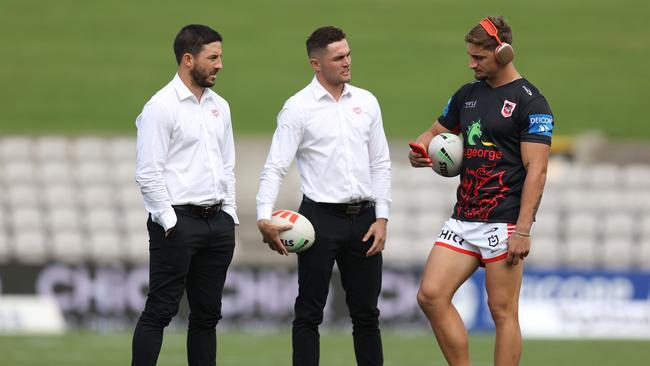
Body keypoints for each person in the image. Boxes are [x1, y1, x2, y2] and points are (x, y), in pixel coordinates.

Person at [409, 16, 554, 366]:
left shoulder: (531, 103)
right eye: (470, 56)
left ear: (503, 53)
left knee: (502, 312)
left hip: (503, 222)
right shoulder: (467, 95)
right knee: (430, 295)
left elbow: (538, 170)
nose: (471, 63)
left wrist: (522, 230)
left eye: (478, 57)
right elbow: (432, 133)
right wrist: (422, 150)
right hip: (464, 217)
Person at [256, 26, 391, 366]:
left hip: (365, 219)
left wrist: (382, 217)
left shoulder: (367, 102)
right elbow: (275, 167)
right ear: (316, 64)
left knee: (366, 315)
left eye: (348, 54)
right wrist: (263, 215)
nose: (347, 62)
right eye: (338, 57)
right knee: (309, 312)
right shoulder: (297, 108)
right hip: (318, 220)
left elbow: (381, 163)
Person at [132, 24, 238, 366]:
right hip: (178, 223)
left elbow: (227, 165)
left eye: (220, 56)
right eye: (213, 57)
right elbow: (148, 171)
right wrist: (169, 221)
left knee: (207, 317)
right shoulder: (160, 107)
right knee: (160, 310)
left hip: (217, 223)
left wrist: (230, 215)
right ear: (188, 59)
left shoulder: (220, 106)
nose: (220, 64)